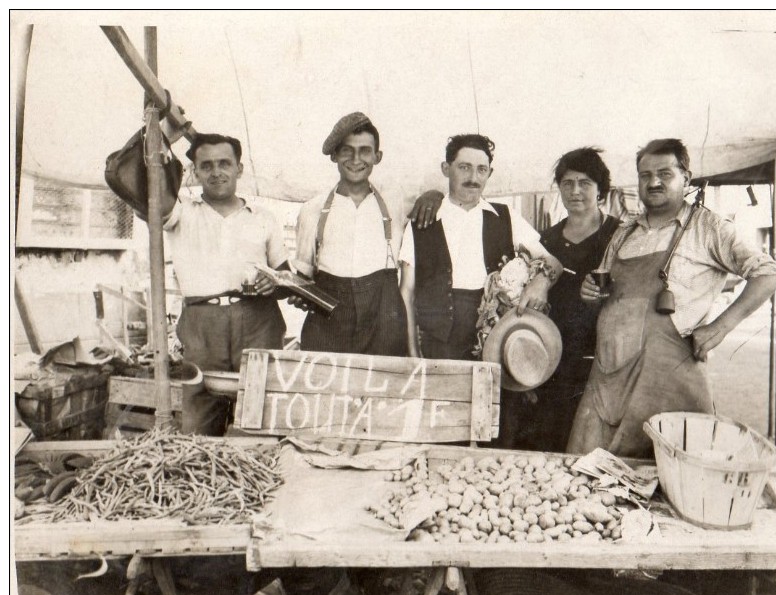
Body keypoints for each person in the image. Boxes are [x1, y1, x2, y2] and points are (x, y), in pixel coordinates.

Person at [567, 138, 776, 458]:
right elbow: (606, 292)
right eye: (645, 175)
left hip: (669, 383)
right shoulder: (625, 231)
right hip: (609, 380)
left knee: (672, 482)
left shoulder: (708, 227)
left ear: (686, 178)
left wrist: (721, 327)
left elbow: (769, 274)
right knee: (587, 474)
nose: (653, 182)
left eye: (665, 174)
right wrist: (591, 292)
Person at [163, 133, 288, 436]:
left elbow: (285, 277)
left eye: (224, 164)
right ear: (194, 172)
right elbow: (150, 188)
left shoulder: (263, 217)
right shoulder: (181, 213)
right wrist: (163, 133)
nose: (216, 172)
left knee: (260, 417)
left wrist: (274, 282)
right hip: (202, 326)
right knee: (198, 425)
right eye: (206, 166)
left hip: (258, 320)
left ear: (239, 169)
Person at [398, 134, 563, 361]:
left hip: (495, 345)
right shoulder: (421, 223)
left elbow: (553, 261)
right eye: (464, 167)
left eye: (481, 170)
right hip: (437, 351)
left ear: (490, 173)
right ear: (446, 169)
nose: (473, 178)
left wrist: (541, 283)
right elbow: (406, 292)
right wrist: (413, 354)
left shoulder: (505, 216)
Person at [509, 147, 619, 452]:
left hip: (601, 367)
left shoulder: (620, 237)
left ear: (600, 189)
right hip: (552, 367)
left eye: (585, 183)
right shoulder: (545, 242)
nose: (575, 191)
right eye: (568, 183)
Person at [290, 112, 407, 356]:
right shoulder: (312, 209)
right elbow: (303, 274)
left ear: (378, 156)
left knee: (381, 389)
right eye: (346, 150)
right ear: (334, 155)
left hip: (383, 323)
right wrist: (299, 293)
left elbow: (440, 198)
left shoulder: (397, 203)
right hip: (328, 324)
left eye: (365, 150)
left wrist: (433, 196)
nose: (356, 159)